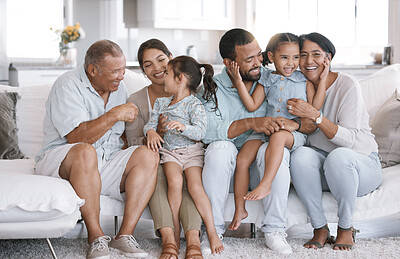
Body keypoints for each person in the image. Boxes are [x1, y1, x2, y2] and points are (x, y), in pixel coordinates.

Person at [35, 39, 158, 259]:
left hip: (104, 160)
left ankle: (124, 236)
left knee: (148, 155)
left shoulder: (118, 87)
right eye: (116, 71)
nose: (122, 76)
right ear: (93, 70)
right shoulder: (67, 85)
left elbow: (119, 136)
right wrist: (114, 114)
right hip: (64, 160)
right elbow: (77, 137)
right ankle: (96, 236)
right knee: (85, 151)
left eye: (123, 69)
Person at [197, 28, 314, 255]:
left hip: (261, 166)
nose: (258, 62)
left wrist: (293, 125)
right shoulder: (212, 88)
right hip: (227, 172)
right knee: (219, 148)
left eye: (259, 55)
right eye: (249, 59)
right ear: (230, 63)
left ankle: (274, 230)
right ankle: (212, 229)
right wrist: (251, 123)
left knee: (274, 149)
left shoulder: (275, 79)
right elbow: (206, 132)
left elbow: (309, 120)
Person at [288, 32, 383, 251]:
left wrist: (316, 115)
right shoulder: (296, 86)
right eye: (303, 55)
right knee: (300, 155)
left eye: (316, 54)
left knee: (339, 156)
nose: (309, 61)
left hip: (361, 166)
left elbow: (349, 140)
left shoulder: (346, 84)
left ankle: (346, 228)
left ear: (327, 58)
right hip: (325, 170)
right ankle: (320, 228)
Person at [227, 32, 327, 230]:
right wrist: (238, 81)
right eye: (284, 57)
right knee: (243, 159)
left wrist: (322, 80)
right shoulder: (267, 79)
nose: (291, 63)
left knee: (279, 137)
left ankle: (266, 182)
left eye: (296, 57)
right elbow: (252, 105)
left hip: (293, 135)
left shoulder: (303, 81)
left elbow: (315, 107)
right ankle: (240, 208)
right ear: (271, 57)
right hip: (267, 130)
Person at [125, 39, 203, 259]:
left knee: (188, 182)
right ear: (142, 71)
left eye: (161, 60)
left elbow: (201, 127)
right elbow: (132, 142)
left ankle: (193, 241)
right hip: (155, 158)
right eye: (148, 65)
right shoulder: (137, 99)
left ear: (171, 59)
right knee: (158, 177)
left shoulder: (191, 92)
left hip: (188, 155)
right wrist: (153, 134)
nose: (157, 68)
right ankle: (169, 241)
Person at [143, 55, 223, 255]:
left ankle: (212, 232)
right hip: (170, 154)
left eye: (168, 74)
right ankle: (176, 232)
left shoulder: (194, 105)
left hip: (192, 154)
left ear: (180, 79)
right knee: (175, 183)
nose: (164, 77)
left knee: (195, 187)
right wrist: (151, 132)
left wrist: (183, 127)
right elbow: (150, 124)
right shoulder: (161, 103)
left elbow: (200, 133)